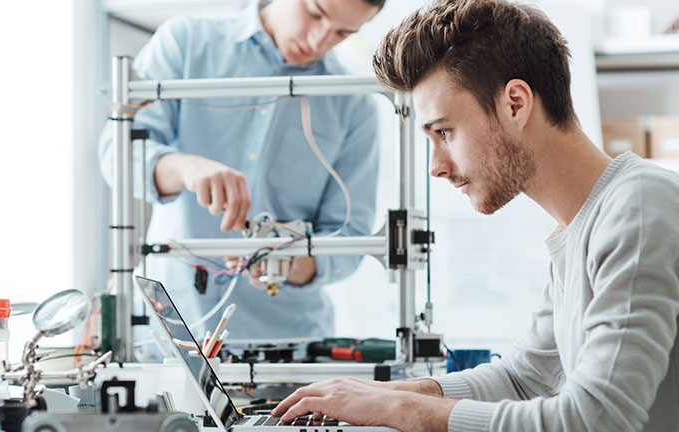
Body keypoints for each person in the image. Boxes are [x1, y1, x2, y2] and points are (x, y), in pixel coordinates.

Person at [272, 0, 679, 430]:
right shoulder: (582, 223)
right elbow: (525, 378)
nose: (436, 166)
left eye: (444, 131)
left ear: (515, 104)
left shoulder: (637, 208)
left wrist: (403, 411)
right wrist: (378, 394)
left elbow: (597, 419)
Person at [98, 0, 384, 341]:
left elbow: (350, 237)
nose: (319, 40)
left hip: (284, 345)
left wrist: (288, 262)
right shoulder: (186, 41)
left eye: (342, 32)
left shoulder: (353, 102)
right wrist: (186, 167)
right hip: (168, 330)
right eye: (315, 13)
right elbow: (118, 154)